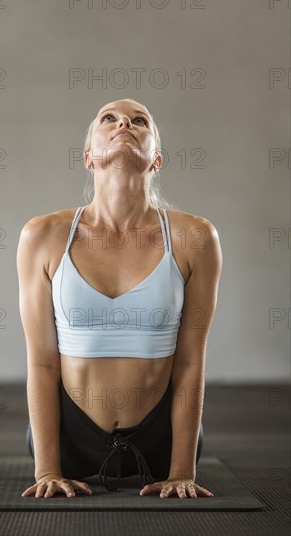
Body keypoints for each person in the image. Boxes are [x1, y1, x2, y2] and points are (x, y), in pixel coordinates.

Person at [17, 98, 222, 499]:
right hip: (69, 442)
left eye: (139, 120)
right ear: (89, 157)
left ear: (156, 160)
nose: (123, 122)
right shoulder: (42, 235)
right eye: (108, 118)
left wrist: (182, 471)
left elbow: (191, 360)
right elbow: (41, 361)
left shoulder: (195, 238)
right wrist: (47, 470)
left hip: (162, 441)